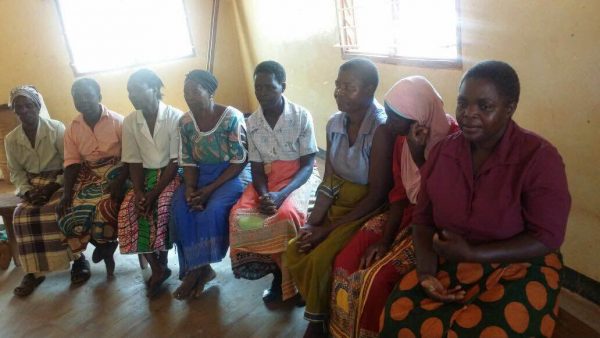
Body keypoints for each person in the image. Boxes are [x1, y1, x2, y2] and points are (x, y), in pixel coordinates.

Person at [380, 60, 571, 338]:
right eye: (462, 103)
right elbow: (422, 219)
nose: (468, 114)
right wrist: (426, 273)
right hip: (450, 258)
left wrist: (475, 254)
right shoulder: (444, 153)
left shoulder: (539, 158)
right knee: (400, 317)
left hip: (519, 264)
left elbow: (547, 238)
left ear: (510, 108)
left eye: (484, 106)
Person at [329, 76, 459, 338]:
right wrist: (384, 240)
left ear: (417, 118)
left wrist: (420, 155)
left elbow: (445, 203)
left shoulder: (454, 142)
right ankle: (342, 330)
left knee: (376, 279)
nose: (387, 123)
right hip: (406, 211)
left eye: (393, 116)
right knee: (346, 259)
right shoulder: (402, 138)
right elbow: (399, 193)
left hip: (436, 222)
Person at [285, 58, 394, 338]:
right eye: (337, 85)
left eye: (349, 87)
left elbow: (378, 194)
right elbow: (329, 178)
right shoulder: (334, 123)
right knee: (298, 246)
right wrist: (314, 221)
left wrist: (328, 229)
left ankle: (317, 320)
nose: (339, 92)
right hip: (336, 200)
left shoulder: (381, 130)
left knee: (323, 258)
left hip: (364, 208)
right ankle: (316, 303)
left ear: (370, 89)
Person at [229, 60, 320, 304]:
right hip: (267, 181)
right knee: (240, 217)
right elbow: (257, 168)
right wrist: (264, 195)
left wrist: (282, 195)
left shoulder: (300, 116)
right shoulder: (252, 123)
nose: (263, 93)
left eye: (269, 87)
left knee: (285, 216)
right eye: (258, 88)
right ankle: (278, 274)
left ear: (283, 87)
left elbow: (308, 164)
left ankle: (296, 280)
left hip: (298, 178)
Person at [171, 70, 251, 300]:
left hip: (231, 174)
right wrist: (190, 189)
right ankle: (201, 269)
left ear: (211, 92)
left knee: (213, 209)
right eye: (186, 92)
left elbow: (239, 161)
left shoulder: (231, 117)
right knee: (181, 208)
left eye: (195, 92)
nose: (189, 97)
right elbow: (187, 160)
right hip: (199, 175)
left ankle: (196, 270)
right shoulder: (185, 122)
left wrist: (207, 191)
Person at [117, 69, 183, 297]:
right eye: (129, 92)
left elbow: (175, 161)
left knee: (162, 208)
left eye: (137, 89)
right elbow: (133, 160)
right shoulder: (130, 121)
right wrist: (138, 192)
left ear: (154, 89)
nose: (132, 95)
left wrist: (153, 194)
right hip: (143, 176)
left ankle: (162, 260)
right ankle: (157, 268)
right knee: (130, 210)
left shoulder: (175, 117)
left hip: (170, 174)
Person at [5, 86, 73, 296]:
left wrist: (53, 187)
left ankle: (78, 260)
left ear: (37, 106)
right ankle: (33, 272)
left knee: (59, 209)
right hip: (32, 185)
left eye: (28, 105)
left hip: (58, 181)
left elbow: (68, 163)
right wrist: (26, 192)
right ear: (14, 111)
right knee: (21, 216)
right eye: (18, 108)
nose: (23, 111)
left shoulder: (55, 128)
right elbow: (15, 173)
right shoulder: (11, 139)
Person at [57, 78, 128, 278]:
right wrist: (66, 193)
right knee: (68, 209)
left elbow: (131, 158)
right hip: (88, 173)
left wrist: (120, 180)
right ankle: (103, 247)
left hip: (119, 172)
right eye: (77, 97)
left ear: (99, 96)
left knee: (103, 205)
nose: (83, 101)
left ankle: (107, 249)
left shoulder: (118, 121)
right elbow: (71, 163)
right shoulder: (73, 128)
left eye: (87, 95)